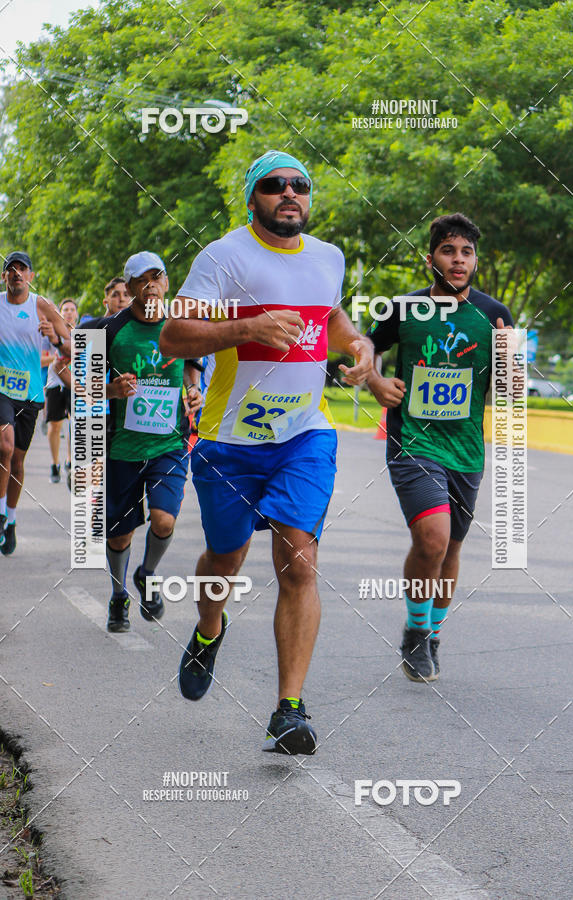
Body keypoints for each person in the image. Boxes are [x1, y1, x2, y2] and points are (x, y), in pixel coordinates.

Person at [160, 149, 373, 755]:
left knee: (299, 563)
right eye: (275, 186)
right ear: (252, 197)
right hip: (229, 443)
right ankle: (208, 627)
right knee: (224, 560)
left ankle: (289, 709)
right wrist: (244, 328)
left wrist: (358, 347)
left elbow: (331, 319)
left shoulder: (328, 258)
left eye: (300, 185)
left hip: (305, 435)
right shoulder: (225, 257)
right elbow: (175, 335)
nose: (290, 194)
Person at [366, 213, 514, 682]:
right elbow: (366, 344)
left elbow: (511, 384)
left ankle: (432, 634)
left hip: (467, 449)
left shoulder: (495, 315)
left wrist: (509, 372)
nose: (458, 260)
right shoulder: (402, 309)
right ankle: (414, 631)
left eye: (466, 252)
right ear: (430, 258)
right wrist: (373, 380)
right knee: (431, 538)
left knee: (450, 549)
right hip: (413, 442)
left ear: (475, 260)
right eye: (449, 251)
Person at [84, 252, 201, 632]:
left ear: (167, 282)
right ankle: (119, 596)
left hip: (168, 443)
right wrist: (110, 390)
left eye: (157, 277)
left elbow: (192, 366)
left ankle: (148, 574)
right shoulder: (107, 330)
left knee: (165, 519)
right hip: (122, 448)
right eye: (142, 279)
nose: (151, 285)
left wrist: (195, 391)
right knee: (119, 536)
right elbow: (84, 390)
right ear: (129, 287)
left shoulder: (182, 324)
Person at [0, 251, 72, 554]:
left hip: (30, 394)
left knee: (17, 460)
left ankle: (12, 519)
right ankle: (1, 514)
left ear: (31, 276)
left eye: (22, 268)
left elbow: (71, 344)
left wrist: (54, 338)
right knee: (4, 445)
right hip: (1, 389)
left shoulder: (41, 306)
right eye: (10, 269)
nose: (16, 273)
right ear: (4, 277)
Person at [44, 298, 78, 483]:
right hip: (54, 383)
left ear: (77, 314)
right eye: (65, 309)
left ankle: (70, 460)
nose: (69, 313)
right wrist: (59, 354)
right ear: (59, 312)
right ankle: (54, 463)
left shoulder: (82, 334)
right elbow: (41, 358)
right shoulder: (51, 334)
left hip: (75, 383)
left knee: (75, 424)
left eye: (72, 309)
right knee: (55, 425)